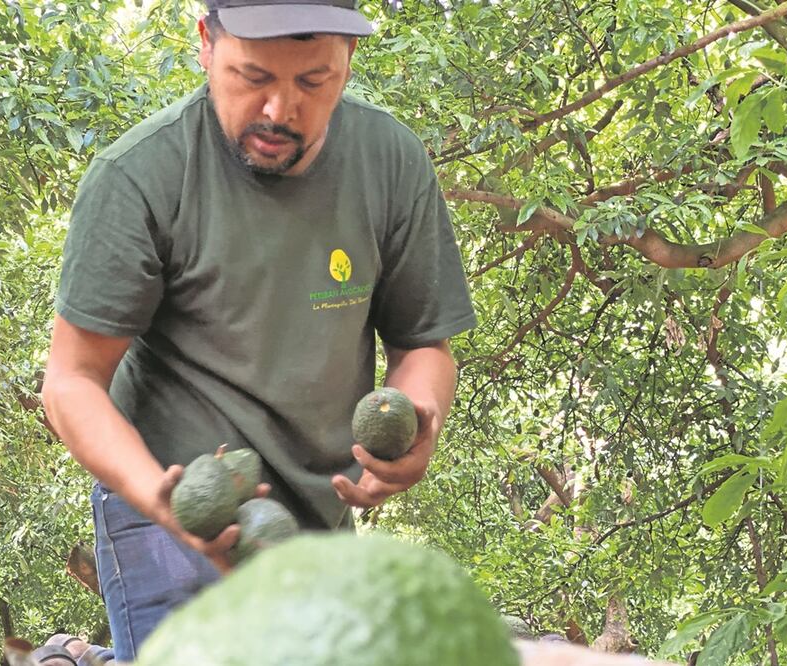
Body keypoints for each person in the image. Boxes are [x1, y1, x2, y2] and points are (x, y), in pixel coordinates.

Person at [41, 0, 477, 660]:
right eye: (251, 77)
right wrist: (157, 496)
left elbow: (421, 342)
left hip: (313, 511)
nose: (278, 110)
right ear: (205, 47)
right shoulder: (139, 176)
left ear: (347, 62)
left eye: (311, 82)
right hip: (173, 499)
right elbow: (71, 382)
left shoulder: (389, 161)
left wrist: (421, 418)